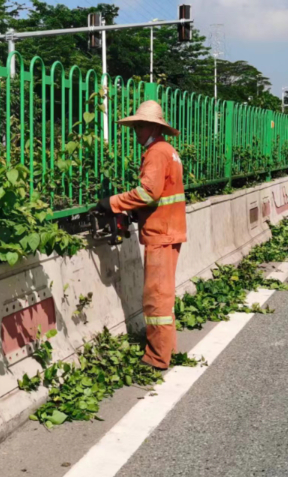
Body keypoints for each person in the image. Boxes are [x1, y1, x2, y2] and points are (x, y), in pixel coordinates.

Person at [94, 100, 186, 370]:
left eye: (138, 127)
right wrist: (137, 213)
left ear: (151, 128)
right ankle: (168, 349)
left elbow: (149, 192)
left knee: (155, 298)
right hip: (170, 229)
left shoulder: (156, 152)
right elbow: (163, 194)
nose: (135, 133)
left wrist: (112, 202)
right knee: (164, 295)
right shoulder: (169, 150)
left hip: (161, 233)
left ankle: (157, 358)